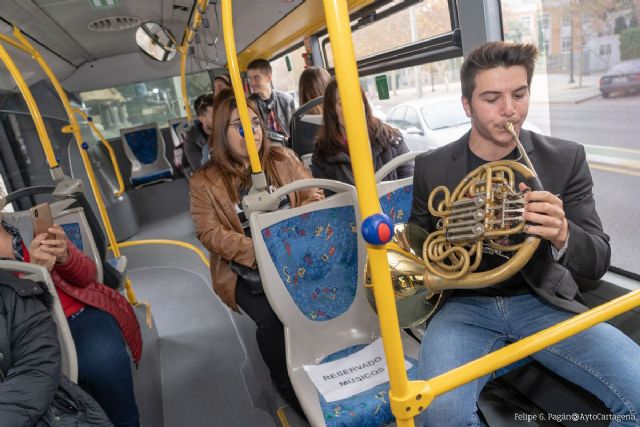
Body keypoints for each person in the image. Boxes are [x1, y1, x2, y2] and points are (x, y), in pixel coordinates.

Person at [409, 41, 640, 427]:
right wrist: (458, 234)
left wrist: (563, 233)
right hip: (464, 307)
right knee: (439, 414)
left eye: (519, 94)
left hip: (542, 301)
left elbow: (598, 260)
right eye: (491, 99)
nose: (509, 110)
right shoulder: (432, 166)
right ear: (467, 105)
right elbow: (419, 248)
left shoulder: (564, 158)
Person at [189, 97, 322, 416]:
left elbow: (312, 195)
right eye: (240, 126)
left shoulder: (283, 158)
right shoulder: (204, 181)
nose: (253, 132)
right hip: (245, 267)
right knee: (273, 319)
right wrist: (264, 250)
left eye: (256, 123)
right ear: (222, 133)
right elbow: (210, 233)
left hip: (297, 252)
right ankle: (285, 382)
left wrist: (291, 238)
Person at [0, 202, 142, 427]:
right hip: (25, 335)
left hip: (77, 315)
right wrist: (36, 275)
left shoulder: (29, 224)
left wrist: (65, 256)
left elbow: (88, 275)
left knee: (105, 362)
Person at [311, 79, 414, 188]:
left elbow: (411, 186)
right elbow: (328, 196)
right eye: (342, 103)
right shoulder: (321, 156)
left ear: (364, 104)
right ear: (332, 111)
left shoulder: (391, 139)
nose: (351, 108)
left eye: (355, 99)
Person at [247, 58, 296, 145]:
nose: (252, 83)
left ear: (269, 78)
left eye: (256, 77)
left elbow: (295, 130)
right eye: (250, 78)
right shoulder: (249, 105)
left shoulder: (287, 100)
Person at [184, 93, 215, 169]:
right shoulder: (191, 141)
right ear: (202, 119)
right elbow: (202, 170)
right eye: (215, 116)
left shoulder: (227, 129)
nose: (220, 118)